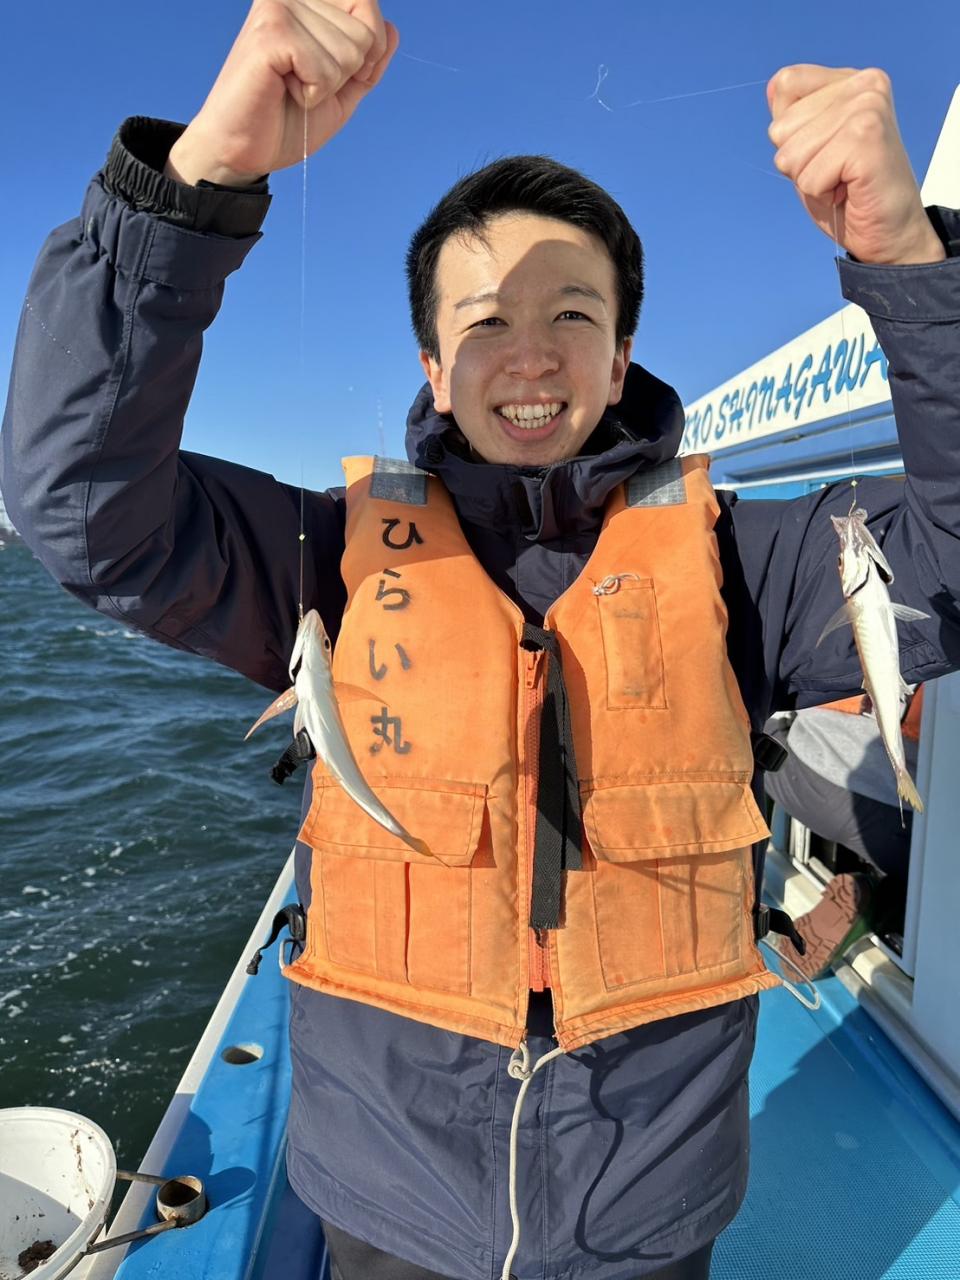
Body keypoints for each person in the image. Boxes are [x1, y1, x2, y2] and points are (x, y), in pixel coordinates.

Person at [2, 4, 959, 1278]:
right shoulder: (327, 556)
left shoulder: (750, 560)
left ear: (621, 358)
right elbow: (77, 501)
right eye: (485, 320)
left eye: (573, 316)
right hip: (389, 1200)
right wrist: (197, 184)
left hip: (651, 1211)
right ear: (431, 362)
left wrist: (907, 263)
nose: (530, 356)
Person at [764, 688, 922, 979]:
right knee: (931, 882)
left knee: (755, 736)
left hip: (799, 774)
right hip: (898, 818)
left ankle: (741, 874)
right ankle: (880, 900)